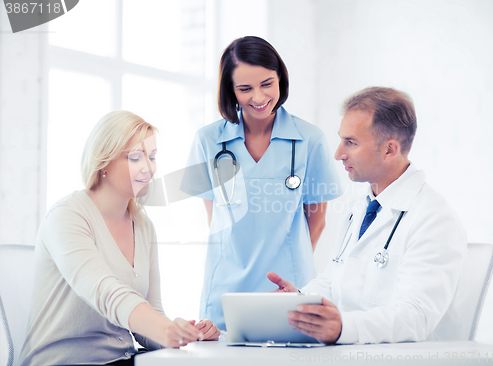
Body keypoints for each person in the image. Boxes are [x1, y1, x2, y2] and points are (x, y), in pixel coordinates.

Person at [268, 87, 467, 344]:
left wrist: (343, 327)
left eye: (351, 142)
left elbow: (415, 317)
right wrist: (298, 300)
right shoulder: (358, 207)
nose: (338, 153)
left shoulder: (435, 219)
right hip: (353, 355)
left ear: (389, 150)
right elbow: (333, 281)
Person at [20, 111, 219, 366]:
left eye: (153, 157)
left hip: (122, 359)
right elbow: (107, 293)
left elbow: (149, 315)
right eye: (135, 157)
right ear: (103, 161)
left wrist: (186, 334)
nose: (148, 168)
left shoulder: (144, 225)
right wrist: (164, 329)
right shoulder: (67, 216)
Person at [182, 36, 342, 330]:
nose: (258, 97)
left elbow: (316, 222)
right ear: (230, 91)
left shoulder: (310, 139)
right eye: (245, 88)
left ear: (281, 78)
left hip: (288, 286)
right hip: (226, 290)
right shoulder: (207, 141)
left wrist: (293, 267)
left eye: (267, 84)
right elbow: (215, 218)